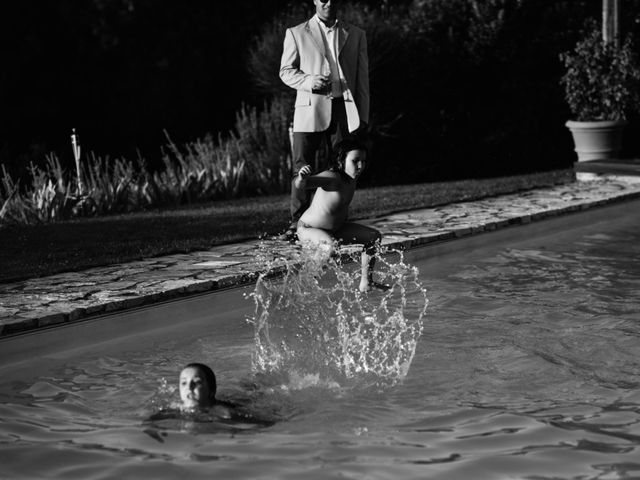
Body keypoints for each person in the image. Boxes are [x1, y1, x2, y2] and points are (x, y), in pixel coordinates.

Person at [279, 0, 369, 241]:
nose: (328, 2)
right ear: (315, 1)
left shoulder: (356, 34)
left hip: (344, 110)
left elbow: (362, 79)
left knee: (342, 168)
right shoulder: (296, 33)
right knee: (301, 167)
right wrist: (308, 82)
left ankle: (335, 219)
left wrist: (364, 115)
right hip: (309, 109)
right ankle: (296, 223)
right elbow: (285, 70)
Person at [295, 139, 387, 292]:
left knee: (373, 237)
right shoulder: (333, 178)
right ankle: (298, 287)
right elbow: (302, 185)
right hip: (309, 229)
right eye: (355, 161)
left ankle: (367, 282)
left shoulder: (351, 178)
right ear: (340, 160)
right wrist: (302, 178)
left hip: (335, 229)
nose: (360, 166)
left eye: (363, 161)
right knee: (329, 247)